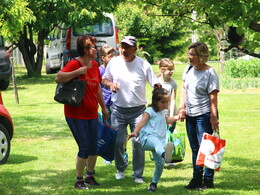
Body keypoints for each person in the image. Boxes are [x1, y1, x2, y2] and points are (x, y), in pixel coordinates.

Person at [102, 36, 160, 183]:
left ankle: (138, 174)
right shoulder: (114, 62)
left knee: (138, 142)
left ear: (135, 49)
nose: (123, 50)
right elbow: (104, 79)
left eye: (127, 47)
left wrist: (158, 95)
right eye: (122, 46)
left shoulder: (143, 64)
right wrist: (110, 85)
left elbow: (155, 84)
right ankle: (120, 168)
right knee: (118, 141)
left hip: (138, 111)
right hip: (118, 110)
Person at [55, 35, 108, 190]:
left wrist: (103, 107)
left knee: (94, 147)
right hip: (75, 114)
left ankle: (90, 176)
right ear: (85, 50)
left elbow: (97, 87)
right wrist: (77, 72)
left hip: (92, 113)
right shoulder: (74, 63)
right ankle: (79, 180)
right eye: (93, 47)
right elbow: (58, 77)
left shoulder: (94, 65)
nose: (96, 49)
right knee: (84, 146)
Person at [178, 42, 219, 190]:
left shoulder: (210, 73)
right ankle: (196, 179)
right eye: (189, 54)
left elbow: (213, 97)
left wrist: (213, 117)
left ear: (202, 56)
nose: (190, 57)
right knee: (195, 148)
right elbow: (183, 88)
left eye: (193, 54)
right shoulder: (188, 69)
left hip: (205, 115)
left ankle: (208, 181)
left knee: (206, 148)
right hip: (191, 115)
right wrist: (181, 107)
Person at [128, 87, 179, 192]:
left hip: (159, 143)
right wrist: (135, 132)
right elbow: (142, 122)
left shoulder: (162, 112)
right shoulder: (149, 111)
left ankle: (153, 184)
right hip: (147, 139)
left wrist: (178, 117)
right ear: (155, 101)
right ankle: (166, 155)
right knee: (156, 144)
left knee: (160, 164)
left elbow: (168, 120)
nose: (165, 105)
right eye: (163, 102)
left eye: (167, 102)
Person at [99, 45, 115, 165]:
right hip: (106, 104)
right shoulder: (99, 71)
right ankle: (108, 155)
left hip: (117, 103)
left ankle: (122, 152)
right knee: (108, 129)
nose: (113, 58)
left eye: (114, 55)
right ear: (103, 58)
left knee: (119, 131)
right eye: (110, 56)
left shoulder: (116, 69)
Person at [157, 58, 177, 132]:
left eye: (172, 69)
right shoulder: (157, 82)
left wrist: (171, 117)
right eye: (170, 69)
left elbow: (173, 100)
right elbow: (155, 100)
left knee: (169, 137)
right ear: (162, 69)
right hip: (159, 114)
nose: (172, 71)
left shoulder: (173, 83)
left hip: (170, 113)